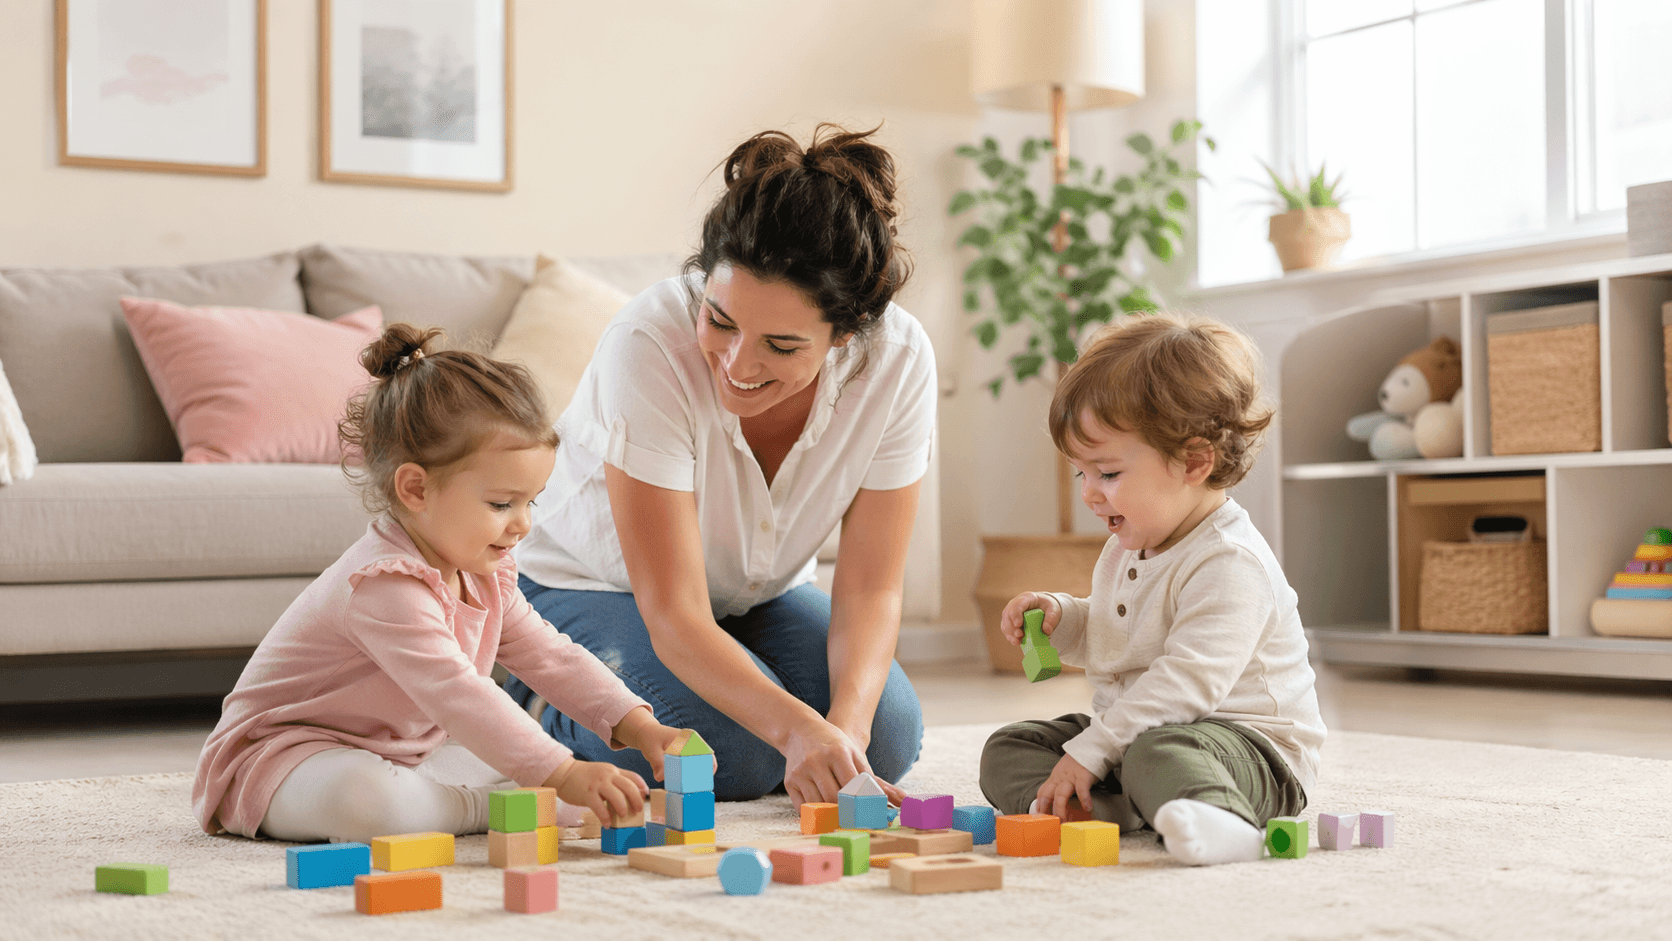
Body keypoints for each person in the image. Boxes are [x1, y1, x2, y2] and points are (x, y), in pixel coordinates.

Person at [505, 124, 934, 806]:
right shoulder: (648, 341)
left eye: (783, 344)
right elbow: (674, 614)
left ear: (845, 335)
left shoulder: (898, 360)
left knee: (887, 736)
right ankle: (537, 694)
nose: (737, 364)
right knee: (729, 756)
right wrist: (795, 731)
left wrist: (838, 738)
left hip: (754, 594)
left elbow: (871, 590)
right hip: (591, 587)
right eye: (722, 320)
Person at [193, 325, 689, 843]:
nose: (522, 524)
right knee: (369, 802)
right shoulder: (383, 586)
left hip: (400, 755)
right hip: (282, 761)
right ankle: (489, 810)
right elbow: (459, 694)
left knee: (503, 751)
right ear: (416, 489)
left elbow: (551, 656)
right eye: (501, 504)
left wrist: (639, 725)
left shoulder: (485, 572)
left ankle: (491, 801)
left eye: (531, 501)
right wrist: (561, 775)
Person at [979, 312, 1327, 866]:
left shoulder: (1229, 562)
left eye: (1108, 473)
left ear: (1193, 460)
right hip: (1139, 731)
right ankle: (1113, 811)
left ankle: (1225, 820)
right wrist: (1063, 619)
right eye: (1081, 474)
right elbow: (1119, 631)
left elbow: (1185, 684)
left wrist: (1094, 751)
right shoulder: (1130, 541)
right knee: (1011, 746)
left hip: (1248, 751)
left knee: (1155, 752)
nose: (1092, 494)